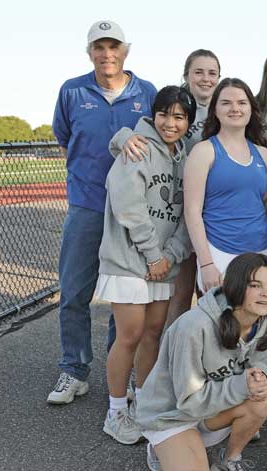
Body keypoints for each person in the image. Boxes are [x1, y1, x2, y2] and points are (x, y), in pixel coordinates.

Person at [48, 20, 156, 404]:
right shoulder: (72, 91)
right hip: (87, 206)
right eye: (99, 47)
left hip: (129, 213)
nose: (106, 54)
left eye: (113, 47)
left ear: (125, 51)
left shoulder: (147, 92)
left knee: (124, 298)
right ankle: (73, 370)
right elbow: (65, 139)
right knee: (74, 291)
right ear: (89, 51)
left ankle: (121, 372)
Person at [135, 253, 267, 471]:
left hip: (213, 409)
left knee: (262, 401)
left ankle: (229, 461)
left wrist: (257, 380)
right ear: (235, 286)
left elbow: (259, 367)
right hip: (173, 415)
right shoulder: (195, 326)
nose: (266, 294)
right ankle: (161, 448)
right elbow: (188, 401)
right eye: (255, 285)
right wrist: (241, 386)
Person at [96, 86, 195, 444]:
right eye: (164, 114)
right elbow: (128, 207)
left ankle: (144, 404)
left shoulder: (183, 158)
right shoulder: (136, 147)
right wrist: (153, 254)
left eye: (180, 116)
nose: (171, 123)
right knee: (130, 334)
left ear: (189, 122)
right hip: (129, 259)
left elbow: (187, 215)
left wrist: (170, 255)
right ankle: (116, 411)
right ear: (154, 115)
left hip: (162, 263)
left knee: (154, 331)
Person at [117, 49, 222, 330]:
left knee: (209, 291)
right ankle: (170, 358)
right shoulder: (177, 105)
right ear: (186, 75)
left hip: (212, 212)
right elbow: (142, 131)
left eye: (212, 73)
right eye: (198, 71)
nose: (205, 78)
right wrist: (123, 137)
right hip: (179, 212)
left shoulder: (223, 109)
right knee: (179, 292)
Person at [184, 78, 267, 293]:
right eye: (226, 102)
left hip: (261, 250)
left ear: (251, 109)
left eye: (242, 102)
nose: (235, 108)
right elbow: (192, 212)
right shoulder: (204, 151)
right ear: (215, 110)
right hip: (219, 251)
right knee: (220, 323)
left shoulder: (264, 155)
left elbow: (259, 207)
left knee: (257, 320)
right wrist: (206, 264)